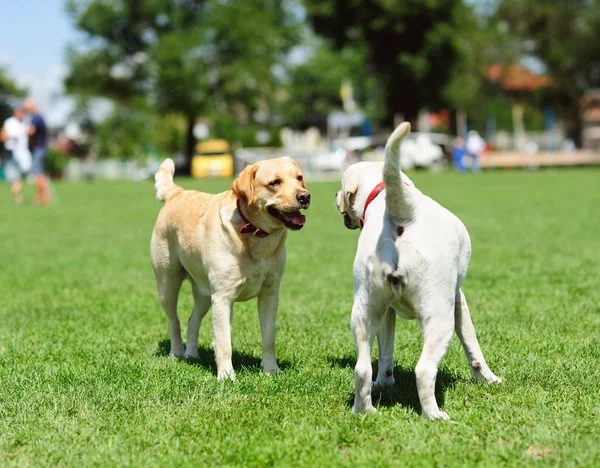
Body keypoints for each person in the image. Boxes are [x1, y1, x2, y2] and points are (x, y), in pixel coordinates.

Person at [1, 108, 32, 205]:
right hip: (11, 151)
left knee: (27, 169)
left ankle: (17, 188)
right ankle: (17, 196)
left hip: (23, 151)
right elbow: (2, 136)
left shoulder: (26, 122)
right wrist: (12, 136)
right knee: (12, 175)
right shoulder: (9, 122)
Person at [23, 98, 51, 204]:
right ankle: (45, 198)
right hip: (40, 148)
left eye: (26, 106)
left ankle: (40, 198)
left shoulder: (35, 117)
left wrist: (21, 133)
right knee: (41, 175)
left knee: (37, 175)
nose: (25, 108)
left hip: (38, 149)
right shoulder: (37, 117)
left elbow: (31, 132)